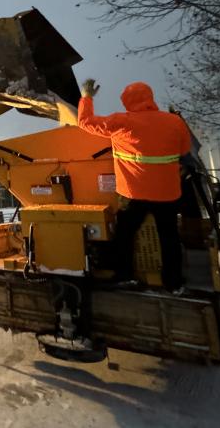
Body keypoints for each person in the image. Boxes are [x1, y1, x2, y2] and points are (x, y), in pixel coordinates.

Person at [77, 79, 191, 291]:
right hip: (167, 193)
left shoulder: (122, 121)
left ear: (127, 101)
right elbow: (184, 149)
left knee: (125, 234)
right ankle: (173, 283)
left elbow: (85, 122)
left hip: (134, 193)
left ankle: (125, 274)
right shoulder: (174, 121)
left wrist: (87, 98)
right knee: (169, 237)